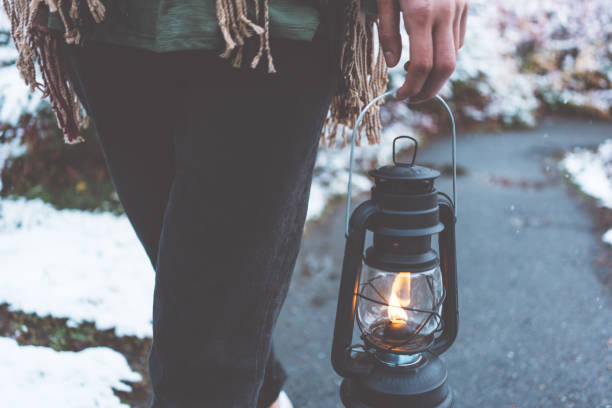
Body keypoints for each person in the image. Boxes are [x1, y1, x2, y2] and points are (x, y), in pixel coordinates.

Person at [3, 0, 468, 407]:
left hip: (268, 30)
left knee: (203, 356)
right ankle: (263, 395)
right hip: (103, 23)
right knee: (200, 297)